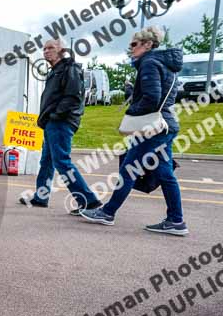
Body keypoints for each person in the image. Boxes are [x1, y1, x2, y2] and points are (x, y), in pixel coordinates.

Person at [80, 27, 187, 236]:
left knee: (129, 168)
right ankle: (176, 220)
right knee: (165, 173)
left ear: (147, 44)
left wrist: (131, 111)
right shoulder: (167, 65)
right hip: (167, 126)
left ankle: (107, 212)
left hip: (153, 128)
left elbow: (152, 98)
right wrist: (133, 93)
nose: (131, 49)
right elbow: (160, 95)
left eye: (134, 44)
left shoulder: (149, 62)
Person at [18, 39, 101, 214]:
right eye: (44, 49)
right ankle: (41, 196)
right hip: (52, 122)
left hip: (61, 122)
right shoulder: (56, 70)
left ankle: (88, 200)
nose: (46, 51)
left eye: (50, 48)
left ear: (61, 50)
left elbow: (73, 97)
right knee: (47, 160)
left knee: (62, 161)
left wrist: (55, 115)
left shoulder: (69, 68)